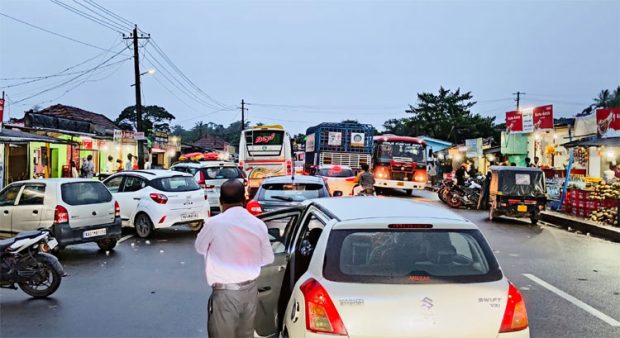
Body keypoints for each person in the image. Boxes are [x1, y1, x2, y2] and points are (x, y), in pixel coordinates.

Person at [195, 180, 274, 338]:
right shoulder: (258, 225)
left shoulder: (213, 224)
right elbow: (268, 258)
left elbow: (200, 247)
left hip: (225, 294)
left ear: (221, 201)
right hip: (251, 291)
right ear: (244, 201)